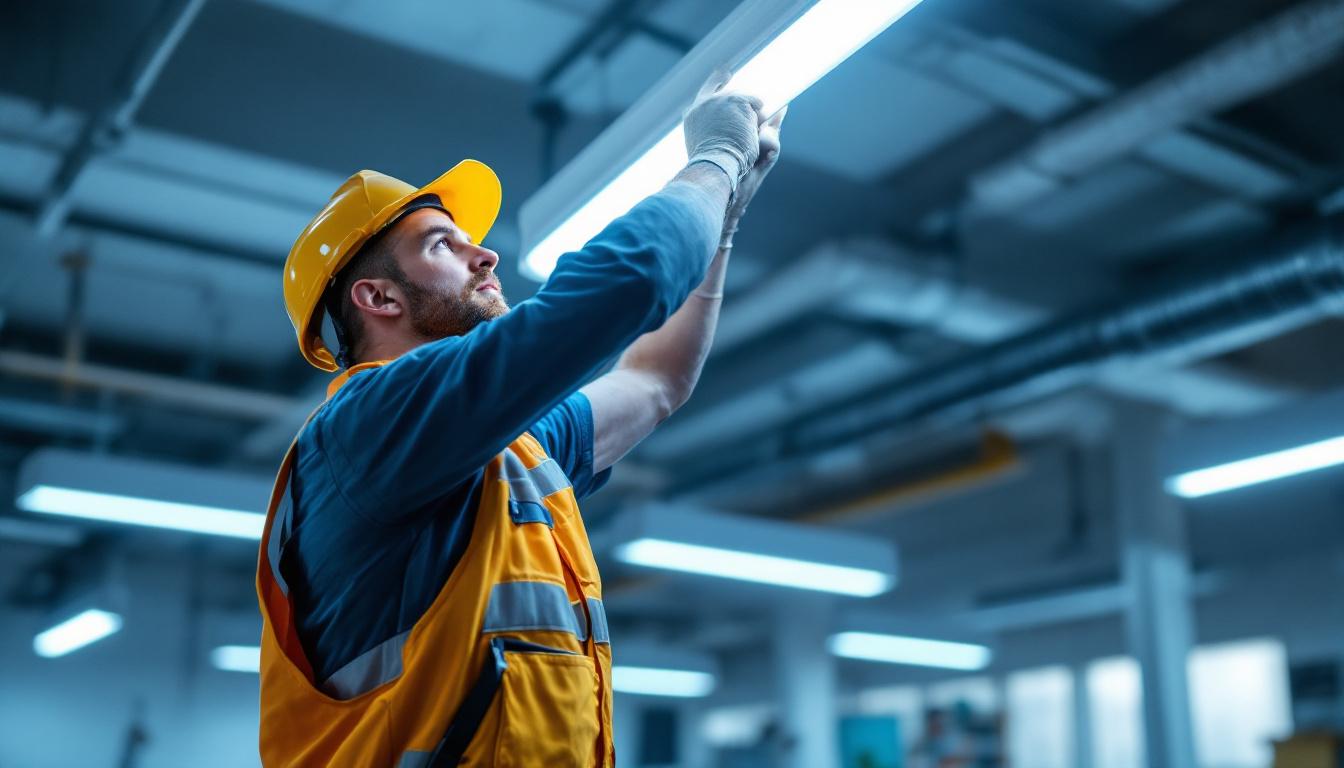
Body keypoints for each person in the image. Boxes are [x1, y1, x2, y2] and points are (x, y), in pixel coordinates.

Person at [253, 73, 786, 767]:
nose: (486, 254)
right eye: (443, 244)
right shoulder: (371, 426)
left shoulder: (511, 449)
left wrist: (724, 226)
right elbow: (634, 281)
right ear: (378, 296)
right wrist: (713, 160)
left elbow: (655, 382)